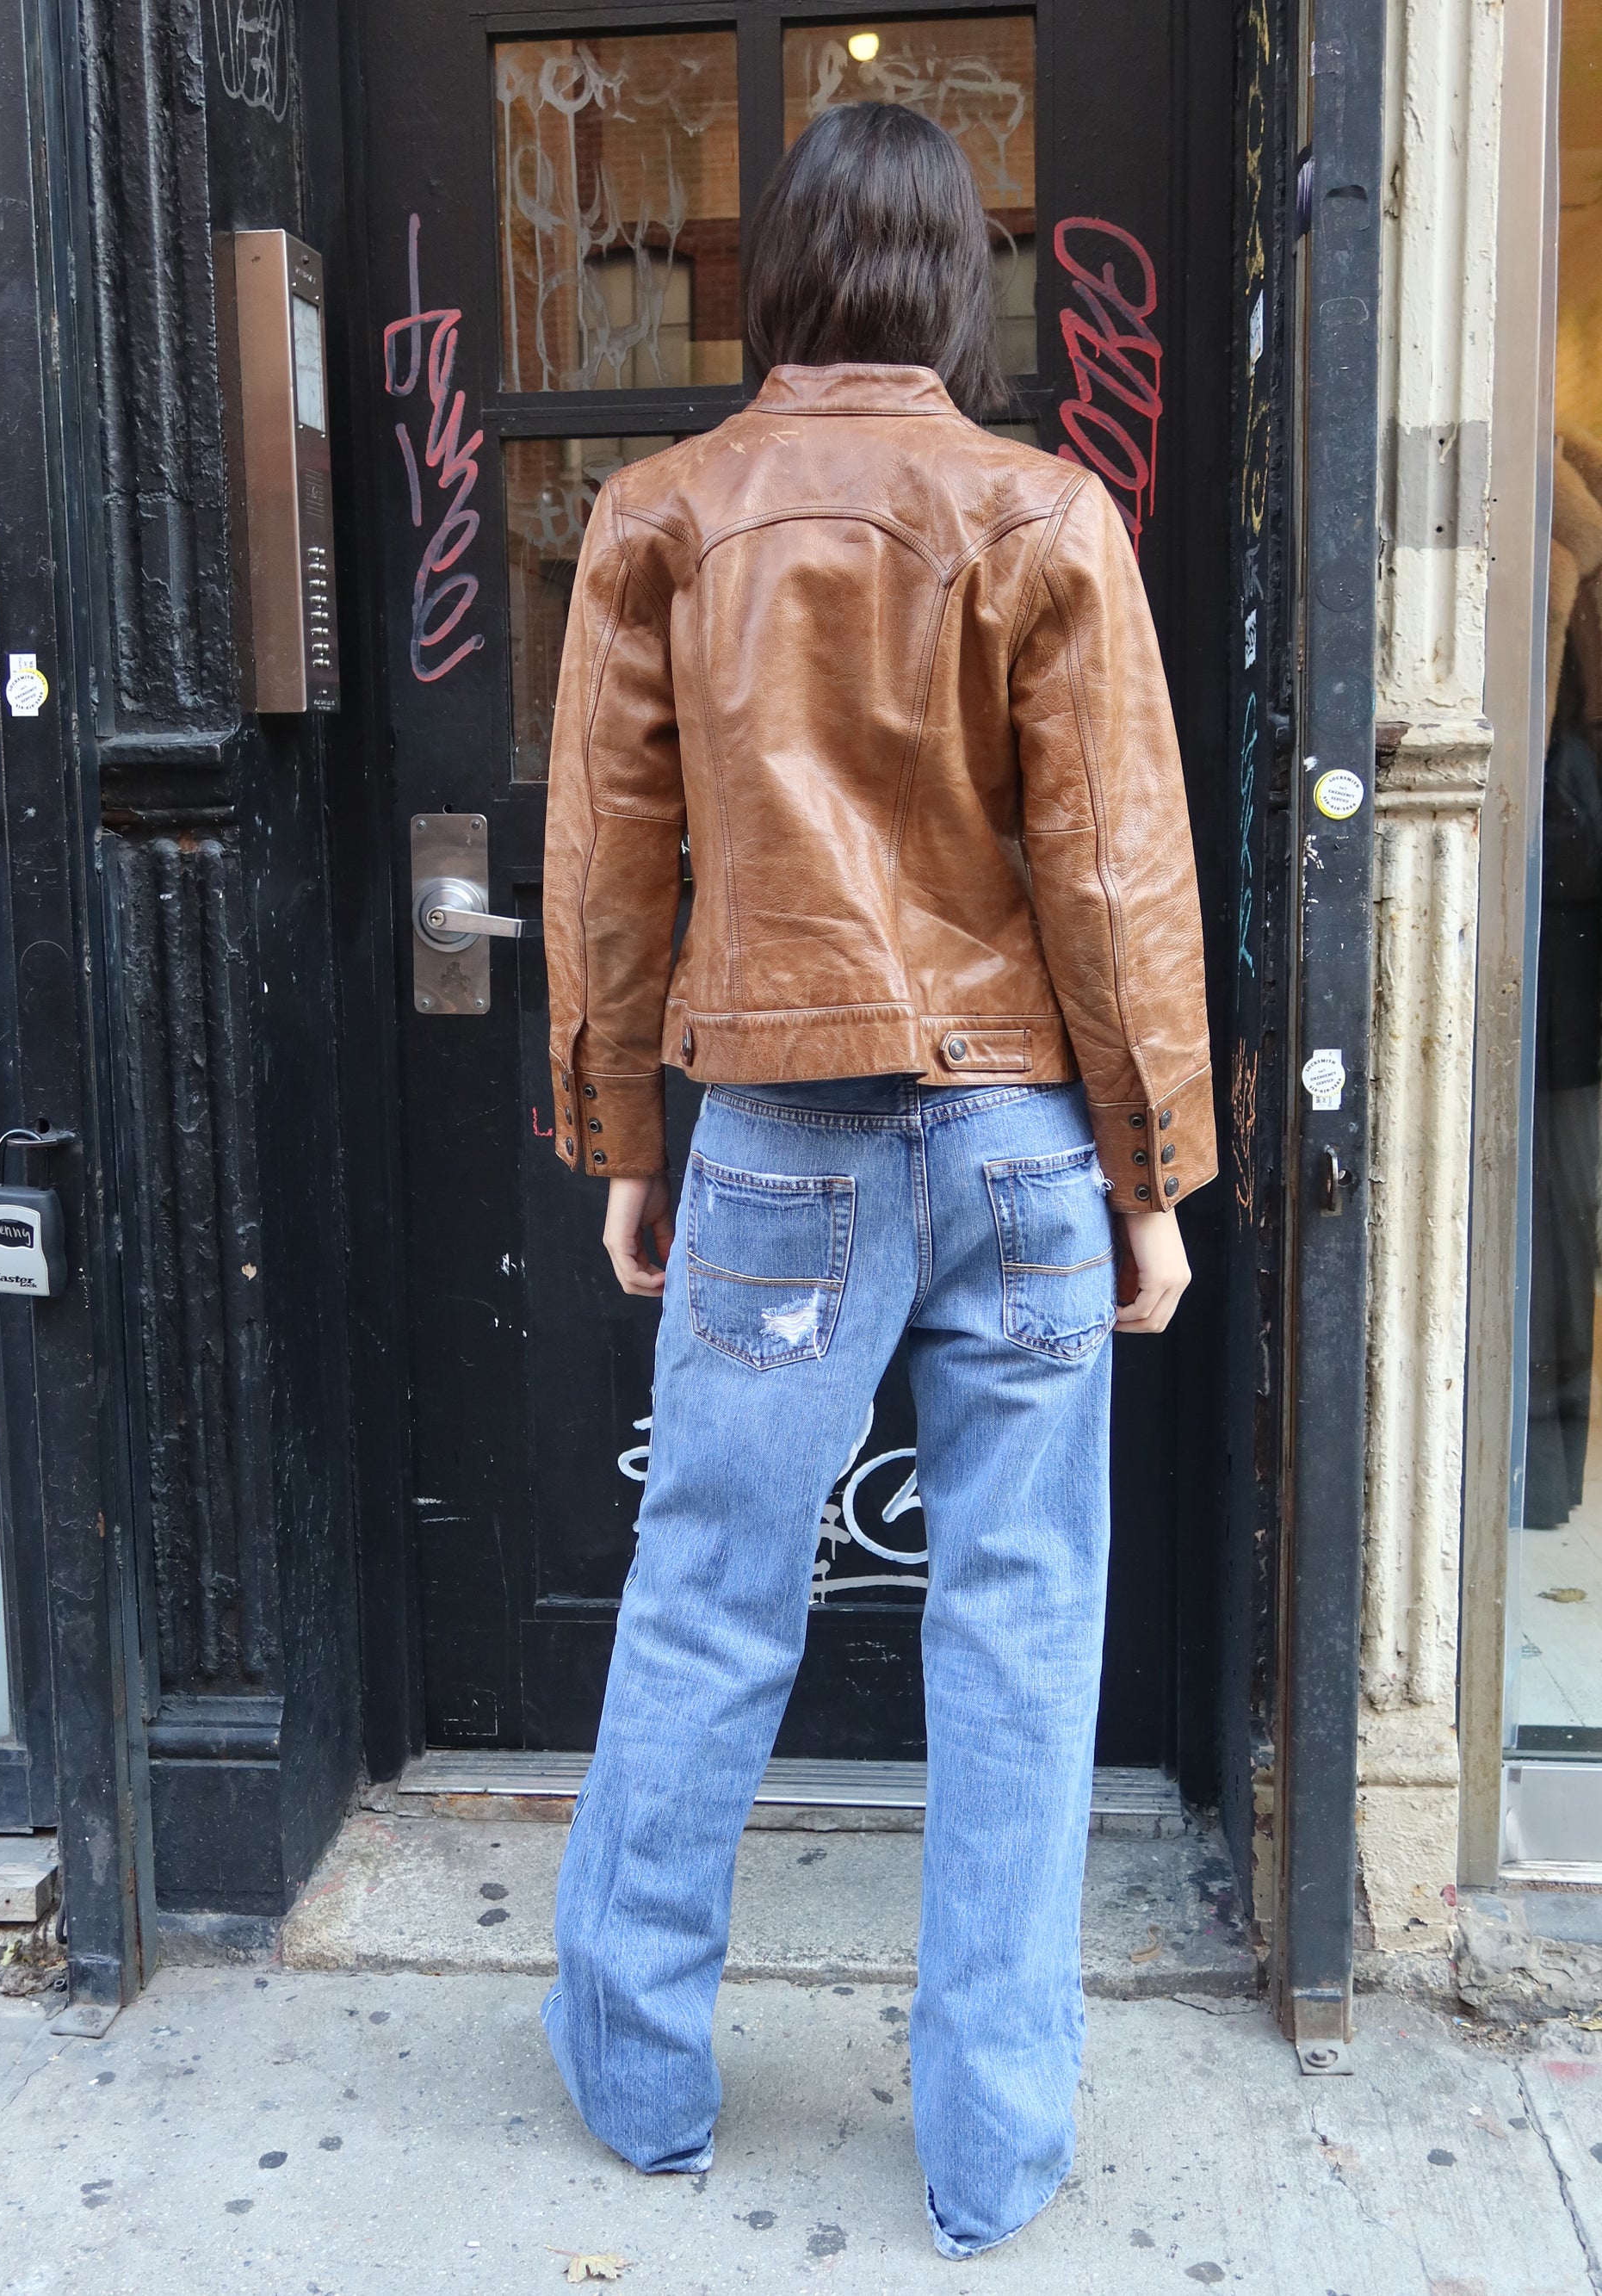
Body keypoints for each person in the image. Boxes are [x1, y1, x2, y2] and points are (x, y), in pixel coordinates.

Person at [538, 99, 1215, 2260]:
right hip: (1019, 1129)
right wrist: (1155, 1170)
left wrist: (625, 1138)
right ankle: (992, 2146)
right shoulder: (1041, 512)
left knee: (707, 1601)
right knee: (1020, 1635)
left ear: (781, 281)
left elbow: (608, 869)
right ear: (954, 288)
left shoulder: (663, 517)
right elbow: (1114, 877)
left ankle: (639, 2077)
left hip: (780, 1137)